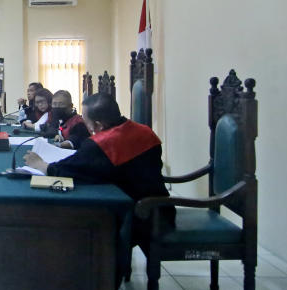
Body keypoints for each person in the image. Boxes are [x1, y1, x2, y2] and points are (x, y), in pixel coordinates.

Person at [23, 92, 174, 251]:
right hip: (161, 211)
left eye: (86, 121)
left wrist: (42, 165)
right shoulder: (146, 131)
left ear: (99, 125)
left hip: (133, 218)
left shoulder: (102, 144)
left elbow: (71, 169)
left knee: (70, 218)